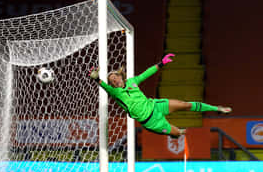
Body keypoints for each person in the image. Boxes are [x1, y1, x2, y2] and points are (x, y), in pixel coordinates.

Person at [89, 53, 232, 137]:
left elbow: (147, 73)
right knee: (179, 133)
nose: (114, 80)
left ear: (121, 76)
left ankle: (216, 108)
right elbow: (103, 85)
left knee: (185, 104)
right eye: (112, 80)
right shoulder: (115, 92)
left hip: (155, 106)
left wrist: (162, 63)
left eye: (115, 77)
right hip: (151, 122)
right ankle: (174, 134)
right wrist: (95, 78)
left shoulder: (132, 81)